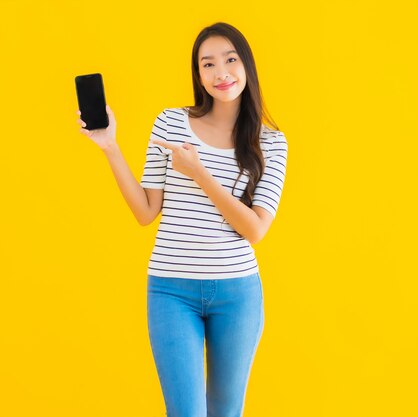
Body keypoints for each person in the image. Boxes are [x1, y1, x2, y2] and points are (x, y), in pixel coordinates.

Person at [76, 21, 288, 417]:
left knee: (226, 412)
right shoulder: (171, 123)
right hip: (171, 291)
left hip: (237, 293)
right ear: (198, 75)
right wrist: (110, 147)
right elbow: (145, 212)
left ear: (247, 66)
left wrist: (200, 172)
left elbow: (255, 229)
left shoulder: (271, 142)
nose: (220, 72)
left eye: (230, 60)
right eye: (207, 64)